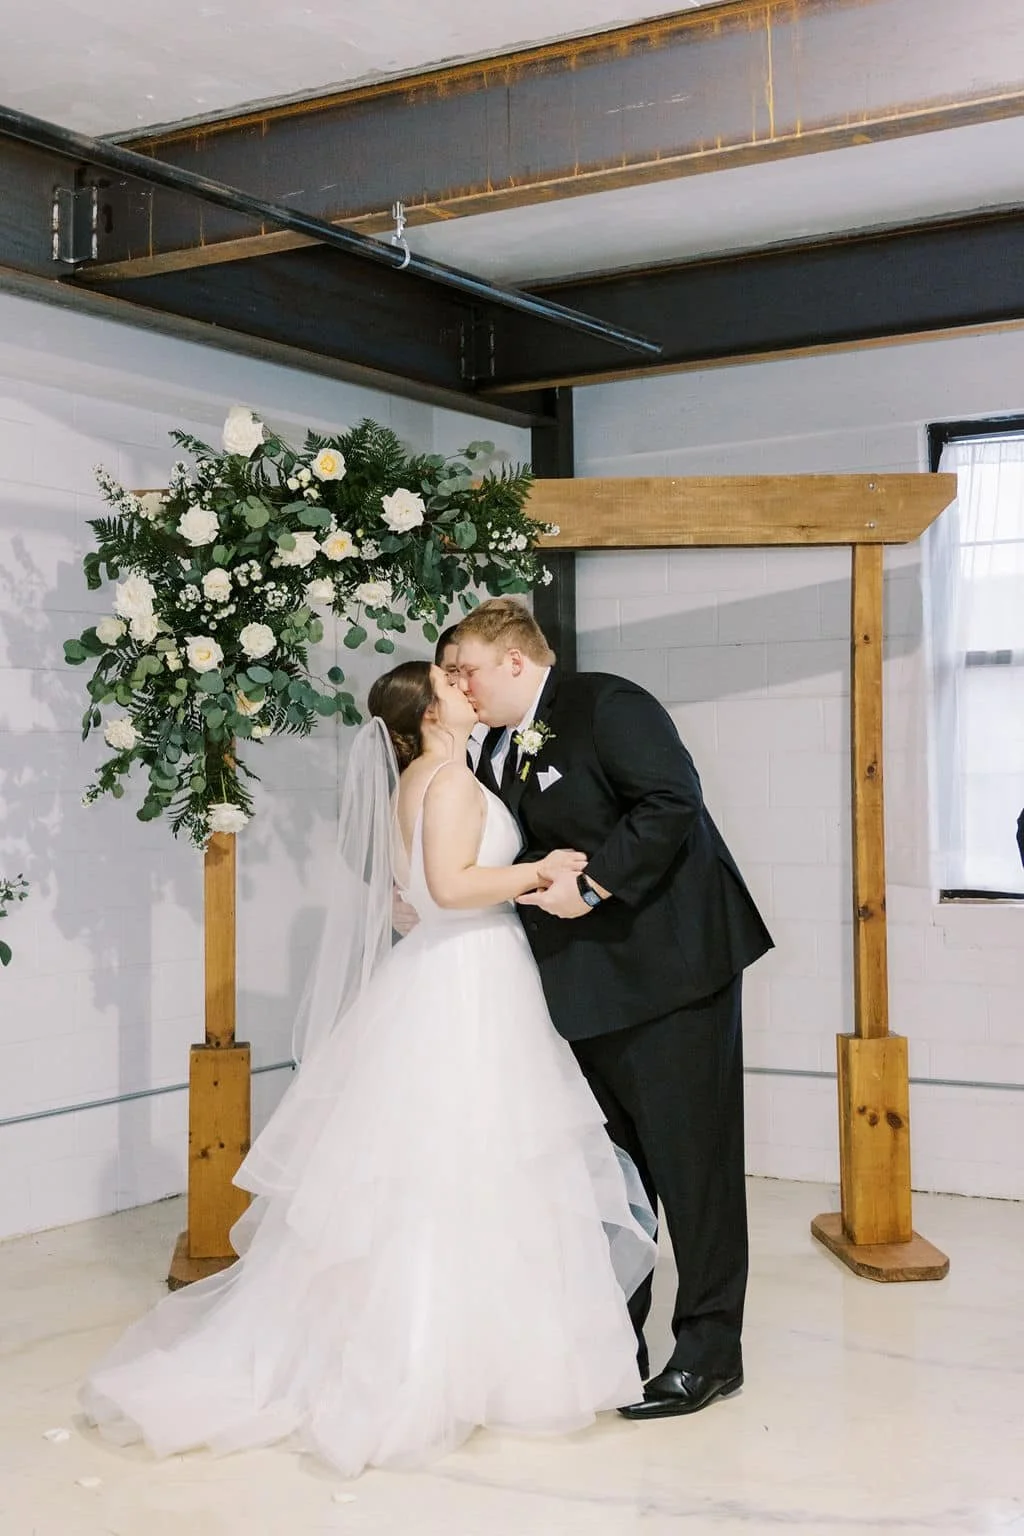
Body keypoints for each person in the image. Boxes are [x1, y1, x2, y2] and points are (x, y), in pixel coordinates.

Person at [80, 661, 656, 1477]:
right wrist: (541, 871)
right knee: (473, 1162)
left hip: (444, 971)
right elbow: (451, 890)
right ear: (429, 710)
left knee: (440, 1165)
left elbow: (405, 898)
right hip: (470, 977)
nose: (466, 684)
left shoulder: (418, 780)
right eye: (452, 682)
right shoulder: (448, 781)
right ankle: (455, 1365)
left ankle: (463, 1355)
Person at [454, 598, 774, 1420]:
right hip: (584, 991)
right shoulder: (488, 747)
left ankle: (709, 1352)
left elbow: (672, 801)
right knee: (618, 1178)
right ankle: (614, 1345)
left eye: (470, 669)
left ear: (517, 661)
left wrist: (593, 884)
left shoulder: (606, 702)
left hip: (669, 976)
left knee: (690, 1168)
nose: (463, 684)